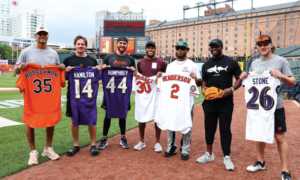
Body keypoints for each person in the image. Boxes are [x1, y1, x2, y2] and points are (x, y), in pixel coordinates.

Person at [240, 35, 295, 180]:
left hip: (275, 107)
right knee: (259, 134)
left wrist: (282, 76)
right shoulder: (254, 63)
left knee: (279, 137)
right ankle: (260, 162)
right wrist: (245, 76)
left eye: (265, 44)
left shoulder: (281, 61)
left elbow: (293, 83)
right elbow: (248, 84)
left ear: (271, 45)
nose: (262, 47)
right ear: (257, 47)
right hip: (258, 107)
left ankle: (285, 171)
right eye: (260, 44)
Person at [14, 26, 65, 165]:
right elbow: (16, 70)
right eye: (40, 34)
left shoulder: (53, 53)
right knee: (30, 120)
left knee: (51, 118)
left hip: (49, 95)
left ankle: (48, 148)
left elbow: (58, 70)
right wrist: (20, 67)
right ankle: (33, 151)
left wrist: (61, 69)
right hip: (32, 95)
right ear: (35, 35)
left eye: (45, 34)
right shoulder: (26, 51)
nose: (42, 36)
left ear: (47, 36)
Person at [196, 39, 242, 171]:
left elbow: (239, 78)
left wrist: (232, 89)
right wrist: (203, 89)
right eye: (212, 47)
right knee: (209, 128)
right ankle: (209, 153)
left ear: (222, 47)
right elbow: (204, 81)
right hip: (210, 102)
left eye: (216, 46)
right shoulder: (206, 65)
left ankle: (227, 156)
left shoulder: (231, 62)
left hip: (225, 102)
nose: (214, 49)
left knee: (225, 129)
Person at [157, 41, 201, 160]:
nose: (179, 50)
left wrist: (196, 78)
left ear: (187, 50)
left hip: (186, 101)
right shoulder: (170, 66)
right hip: (172, 100)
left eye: (182, 48)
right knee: (171, 120)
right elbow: (166, 83)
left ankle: (185, 149)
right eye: (178, 48)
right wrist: (161, 76)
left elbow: (199, 84)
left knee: (187, 123)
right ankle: (171, 146)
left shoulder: (193, 65)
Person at [64, 35, 101, 157]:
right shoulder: (68, 60)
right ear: (75, 45)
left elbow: (98, 79)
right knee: (74, 119)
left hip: (89, 96)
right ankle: (76, 145)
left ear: (86, 46)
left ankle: (93, 144)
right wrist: (65, 71)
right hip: (74, 96)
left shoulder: (92, 61)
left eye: (82, 44)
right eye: (78, 44)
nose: (80, 46)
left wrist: (99, 70)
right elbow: (62, 79)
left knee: (92, 119)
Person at [98, 37, 136, 149]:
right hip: (111, 91)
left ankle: (123, 137)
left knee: (122, 114)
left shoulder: (130, 58)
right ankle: (104, 138)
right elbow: (102, 73)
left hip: (123, 91)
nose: (122, 45)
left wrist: (134, 71)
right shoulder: (109, 57)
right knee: (107, 115)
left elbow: (133, 75)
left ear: (127, 45)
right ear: (117, 44)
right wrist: (102, 68)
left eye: (124, 43)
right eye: (120, 43)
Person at [133, 41, 167, 152]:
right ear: (146, 49)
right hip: (143, 94)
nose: (150, 49)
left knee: (157, 117)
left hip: (157, 93)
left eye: (152, 47)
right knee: (141, 116)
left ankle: (157, 142)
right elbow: (139, 75)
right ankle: (141, 141)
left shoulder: (162, 63)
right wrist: (135, 75)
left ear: (155, 49)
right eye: (148, 48)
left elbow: (167, 78)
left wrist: (162, 74)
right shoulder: (141, 63)